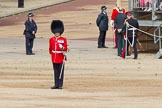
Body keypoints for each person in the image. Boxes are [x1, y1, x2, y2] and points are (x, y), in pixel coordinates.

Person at [49, 20, 68, 89]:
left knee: (61, 72)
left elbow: (66, 48)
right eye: (55, 32)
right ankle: (56, 84)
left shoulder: (63, 39)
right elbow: (50, 49)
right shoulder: (51, 39)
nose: (56, 33)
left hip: (61, 57)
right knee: (56, 71)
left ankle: (60, 85)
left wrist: (62, 48)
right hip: (54, 57)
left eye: (57, 32)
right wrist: (52, 55)